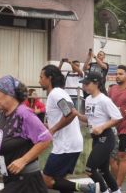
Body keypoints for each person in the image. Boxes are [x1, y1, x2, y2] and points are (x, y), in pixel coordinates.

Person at [39, 65, 98, 193]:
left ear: (49, 78)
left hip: (65, 145)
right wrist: (45, 127)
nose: (39, 81)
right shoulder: (58, 93)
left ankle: (85, 188)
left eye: (41, 77)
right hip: (69, 143)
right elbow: (64, 116)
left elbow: (70, 113)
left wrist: (53, 129)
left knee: (47, 180)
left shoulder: (56, 93)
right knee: (61, 181)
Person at [0, 75, 52, 193]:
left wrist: (23, 160)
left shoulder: (23, 113)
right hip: (11, 178)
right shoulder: (3, 114)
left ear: (10, 94)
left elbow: (45, 138)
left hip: (27, 181)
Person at [77, 72, 123, 193]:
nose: (85, 87)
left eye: (87, 83)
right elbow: (89, 119)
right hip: (96, 139)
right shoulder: (87, 99)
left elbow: (118, 117)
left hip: (106, 138)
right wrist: (76, 114)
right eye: (84, 84)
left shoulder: (104, 100)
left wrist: (102, 127)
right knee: (104, 171)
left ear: (96, 83)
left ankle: (104, 191)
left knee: (89, 169)